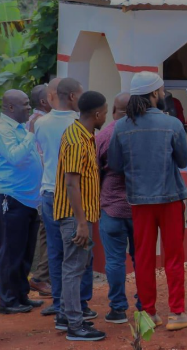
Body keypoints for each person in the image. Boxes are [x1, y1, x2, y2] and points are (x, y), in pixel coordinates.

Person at [108, 72, 187, 331]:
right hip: (170, 199)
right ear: (155, 93)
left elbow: (114, 164)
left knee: (144, 257)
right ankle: (177, 313)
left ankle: (148, 314)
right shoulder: (173, 124)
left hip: (138, 201)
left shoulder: (122, 126)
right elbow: (182, 161)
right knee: (174, 256)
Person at [35, 78, 95, 322]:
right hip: (72, 195)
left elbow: (42, 155)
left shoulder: (40, 123)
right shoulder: (78, 123)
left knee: (56, 252)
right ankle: (79, 305)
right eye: (80, 94)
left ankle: (61, 304)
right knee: (81, 251)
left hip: (48, 192)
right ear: (71, 97)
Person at [54, 91, 108, 341]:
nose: (106, 116)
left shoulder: (84, 135)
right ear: (97, 114)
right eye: (105, 112)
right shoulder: (77, 139)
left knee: (74, 267)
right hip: (74, 217)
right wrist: (81, 223)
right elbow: (71, 183)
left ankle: (66, 315)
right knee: (74, 269)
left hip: (79, 215)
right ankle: (75, 325)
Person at [95, 92, 140, 324]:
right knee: (141, 258)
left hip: (111, 207)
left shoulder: (104, 135)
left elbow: (96, 171)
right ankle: (144, 304)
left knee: (114, 260)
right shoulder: (143, 133)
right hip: (140, 209)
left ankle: (118, 309)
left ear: (114, 110)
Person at [0, 89, 43, 314]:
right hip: (12, 197)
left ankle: (21, 295)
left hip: (28, 199)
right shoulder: (4, 129)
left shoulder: (18, 128)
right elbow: (15, 157)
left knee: (25, 251)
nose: (29, 108)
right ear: (10, 108)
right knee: (11, 252)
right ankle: (7, 300)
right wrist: (31, 133)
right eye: (25, 104)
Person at [27, 83, 52, 298]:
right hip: (42, 188)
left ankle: (42, 276)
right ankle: (41, 277)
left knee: (45, 232)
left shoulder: (36, 122)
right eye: (52, 95)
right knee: (47, 233)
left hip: (39, 189)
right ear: (44, 102)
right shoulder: (40, 123)